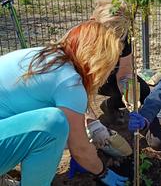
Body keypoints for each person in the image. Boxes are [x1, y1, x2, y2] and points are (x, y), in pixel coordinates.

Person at [0, 20, 129, 186]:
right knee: (54, 125)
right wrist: (102, 172)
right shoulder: (70, 82)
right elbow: (80, 149)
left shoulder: (44, 57)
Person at [91, 0, 150, 124]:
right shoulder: (84, 41)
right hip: (90, 80)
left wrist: (131, 100)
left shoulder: (122, 36)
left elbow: (124, 74)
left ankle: (109, 105)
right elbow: (77, 89)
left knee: (142, 91)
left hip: (111, 78)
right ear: (93, 22)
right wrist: (92, 122)